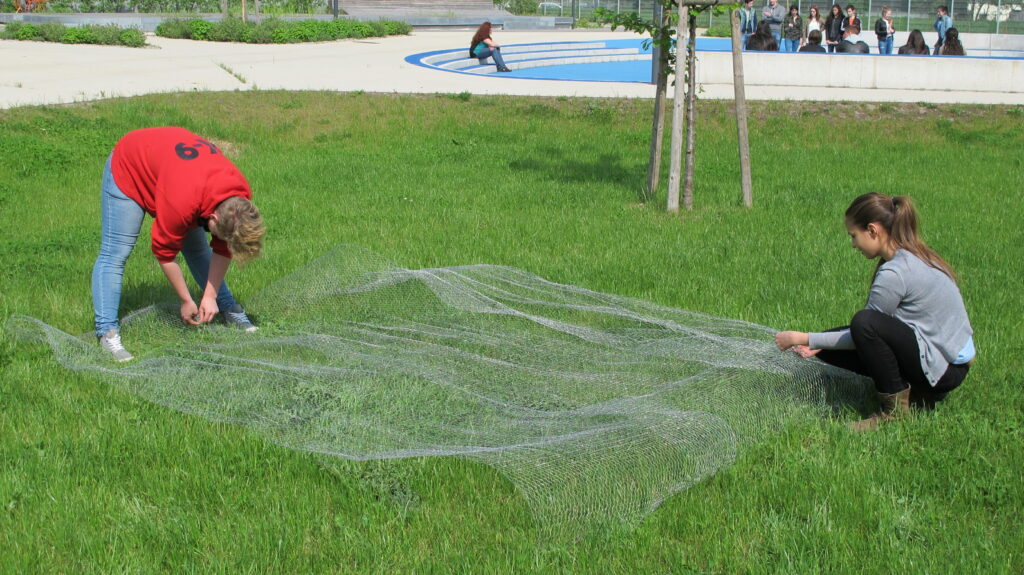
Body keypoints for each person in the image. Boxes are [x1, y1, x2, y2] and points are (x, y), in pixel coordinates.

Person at [775, 194, 975, 431]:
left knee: (863, 324)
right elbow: (883, 329)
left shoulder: (894, 273)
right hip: (949, 365)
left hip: (943, 372)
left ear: (872, 230)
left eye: (854, 236)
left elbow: (866, 329)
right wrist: (819, 342)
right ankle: (918, 395)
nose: (853, 244)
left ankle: (894, 412)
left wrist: (802, 338)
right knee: (834, 343)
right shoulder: (913, 255)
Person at [93, 127, 266, 362]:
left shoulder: (238, 197)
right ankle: (107, 332)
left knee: (196, 248)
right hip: (130, 164)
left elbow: (222, 247)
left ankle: (228, 308)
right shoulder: (182, 203)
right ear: (213, 218)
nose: (222, 242)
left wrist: (210, 297)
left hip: (176, 173)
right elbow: (164, 253)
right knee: (116, 252)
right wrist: (186, 300)